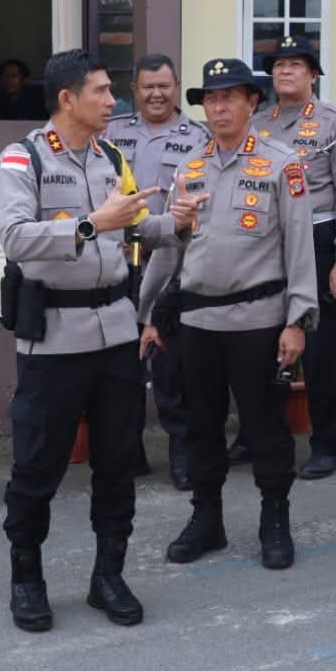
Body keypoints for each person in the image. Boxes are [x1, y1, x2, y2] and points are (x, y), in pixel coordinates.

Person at [0, 49, 201, 633]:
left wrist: (177, 222)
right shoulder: (23, 158)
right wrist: (91, 224)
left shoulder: (112, 158)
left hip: (115, 334)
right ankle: (27, 579)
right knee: (36, 467)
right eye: (103, 91)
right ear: (68, 99)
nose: (115, 101)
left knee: (117, 463)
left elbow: (135, 229)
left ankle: (107, 574)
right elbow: (15, 238)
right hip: (54, 340)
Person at [138, 58, 317, 570]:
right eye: (210, 99)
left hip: (259, 323)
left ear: (251, 103)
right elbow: (171, 248)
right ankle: (206, 520)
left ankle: (274, 519)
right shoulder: (189, 168)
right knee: (200, 428)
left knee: (266, 429)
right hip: (197, 325)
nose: (218, 107)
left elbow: (300, 250)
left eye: (229, 97)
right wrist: (150, 314)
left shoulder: (284, 165)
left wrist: (297, 321)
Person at [248, 35, 336, 479]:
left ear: (312, 75)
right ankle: (256, 436)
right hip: (266, 246)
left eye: (296, 64)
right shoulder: (258, 122)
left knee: (317, 350)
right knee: (259, 341)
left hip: (318, 243)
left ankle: (326, 445)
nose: (285, 71)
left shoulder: (334, 124)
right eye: (278, 65)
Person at [107, 54, 209, 489]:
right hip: (119, 264)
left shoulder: (198, 139)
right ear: (135, 90)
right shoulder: (111, 134)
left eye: (164, 86)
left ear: (176, 87)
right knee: (119, 367)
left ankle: (183, 456)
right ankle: (127, 454)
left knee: (171, 368)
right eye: (148, 86)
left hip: (171, 265)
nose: (156, 94)